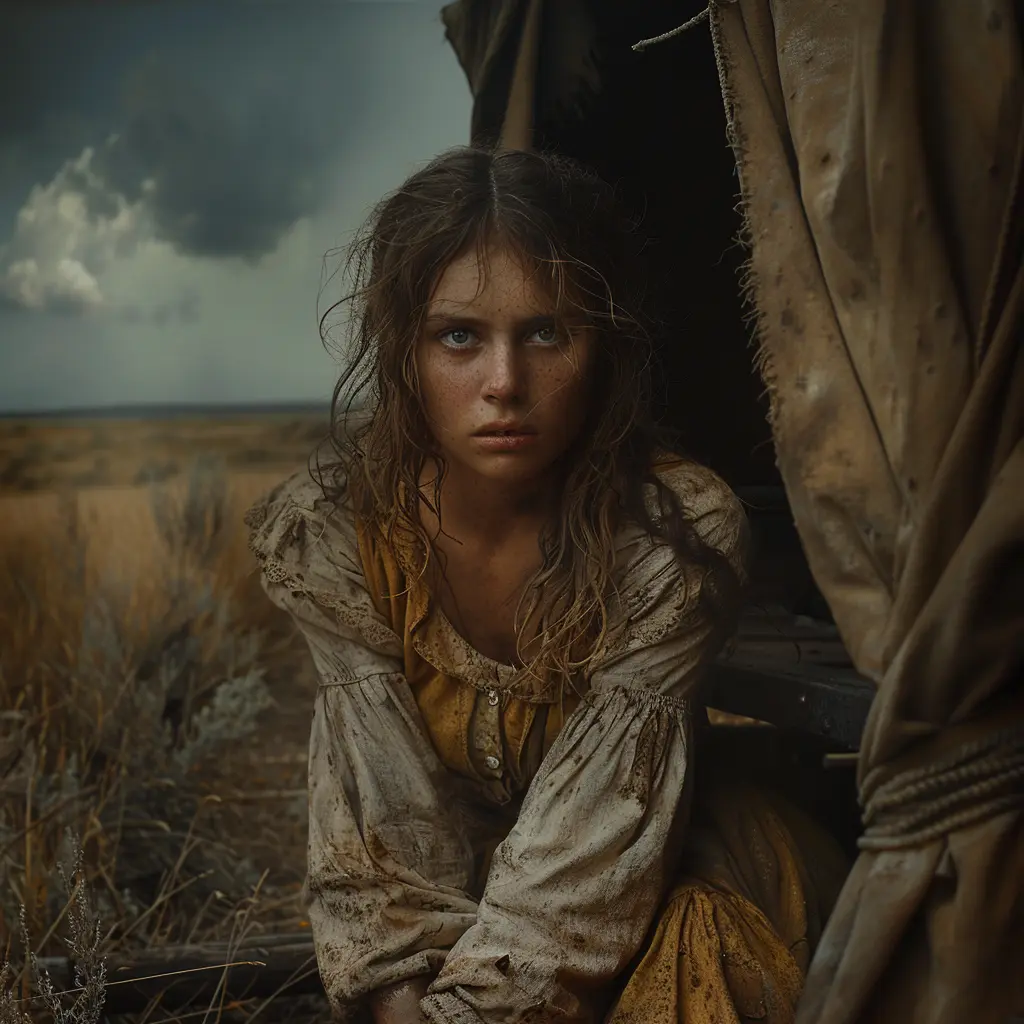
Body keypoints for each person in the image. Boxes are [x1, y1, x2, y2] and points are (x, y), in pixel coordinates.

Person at [246, 146, 848, 1024]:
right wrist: (404, 1001)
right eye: (459, 335)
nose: (504, 385)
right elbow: (380, 841)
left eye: (546, 333)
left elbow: (580, 888)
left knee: (693, 944)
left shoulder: (671, 535)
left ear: (604, 349)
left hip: (676, 877)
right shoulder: (339, 534)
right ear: (403, 349)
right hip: (483, 905)